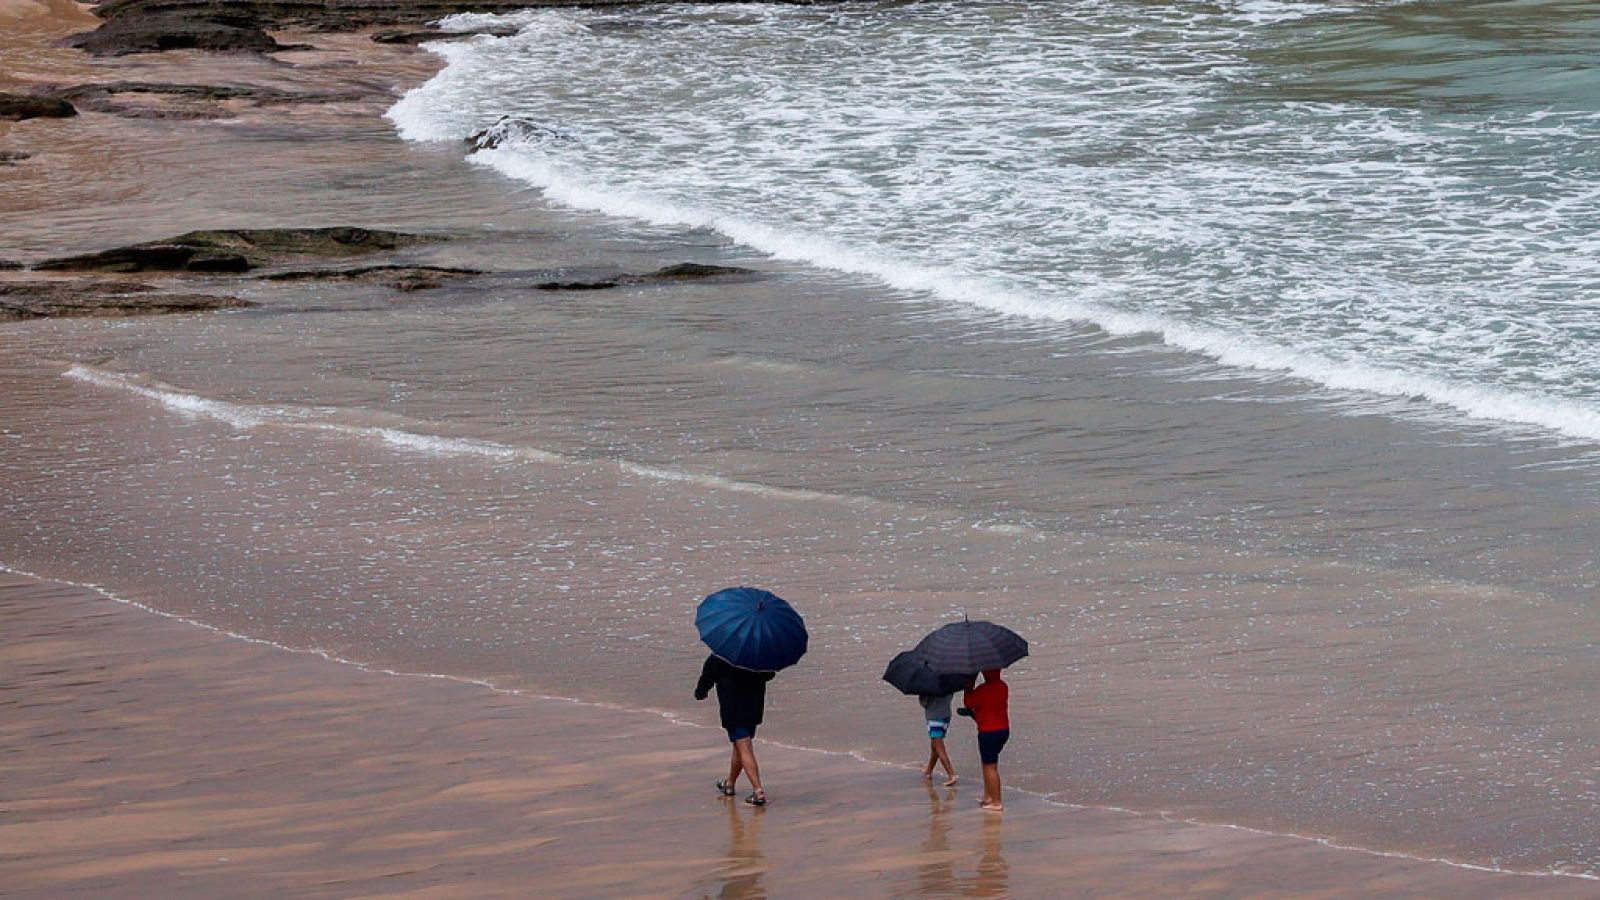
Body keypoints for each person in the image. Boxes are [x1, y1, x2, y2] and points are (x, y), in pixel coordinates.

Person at [695, 653, 776, 806]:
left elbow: (708, 673)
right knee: (739, 746)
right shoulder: (758, 654)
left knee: (744, 747)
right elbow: (769, 674)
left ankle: (758, 792)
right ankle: (730, 784)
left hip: (733, 707)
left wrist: (701, 691)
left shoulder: (721, 654)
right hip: (753, 707)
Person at [958, 669, 1009, 812]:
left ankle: (997, 801)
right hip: (1003, 729)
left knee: (990, 766)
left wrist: (969, 685)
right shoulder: (1003, 686)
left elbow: (968, 702)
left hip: (988, 731)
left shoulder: (983, 689)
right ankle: (989, 796)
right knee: (988, 763)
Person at [919, 693, 958, 786]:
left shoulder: (928, 688)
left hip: (934, 719)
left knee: (940, 749)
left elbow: (924, 703)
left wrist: (921, 695)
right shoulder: (948, 684)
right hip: (946, 716)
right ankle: (929, 770)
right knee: (935, 747)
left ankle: (951, 775)